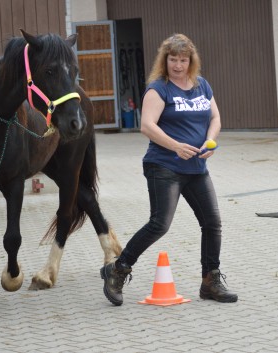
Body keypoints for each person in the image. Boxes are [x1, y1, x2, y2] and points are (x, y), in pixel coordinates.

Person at [100, 33, 238, 306]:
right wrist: (175, 146)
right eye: (173, 59)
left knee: (212, 223)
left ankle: (210, 281)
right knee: (160, 224)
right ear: (165, 61)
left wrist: (212, 141)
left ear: (191, 61)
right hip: (164, 166)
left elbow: (215, 117)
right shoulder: (159, 88)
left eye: (183, 60)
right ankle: (118, 269)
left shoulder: (201, 85)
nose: (178, 65)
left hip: (197, 167)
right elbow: (147, 126)